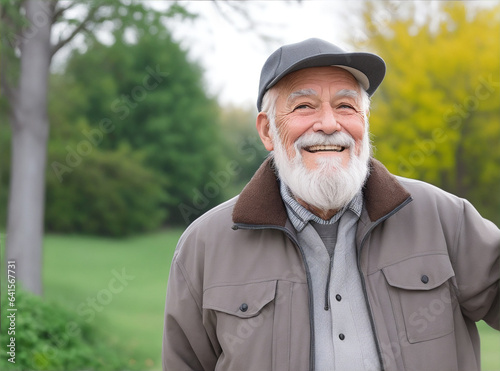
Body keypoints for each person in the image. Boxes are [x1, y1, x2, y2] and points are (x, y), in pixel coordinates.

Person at [162, 38, 499, 371]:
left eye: (345, 106)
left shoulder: (443, 218)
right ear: (267, 131)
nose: (328, 124)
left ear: (364, 124)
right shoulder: (204, 245)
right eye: (304, 106)